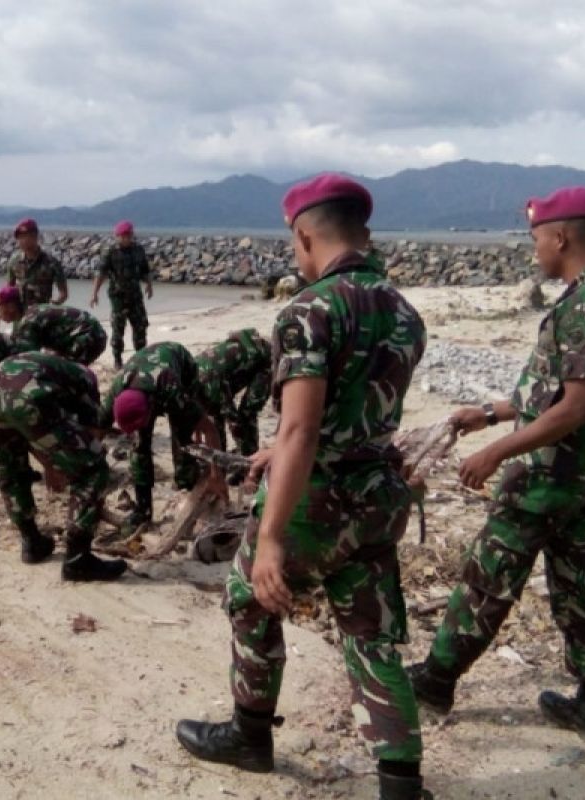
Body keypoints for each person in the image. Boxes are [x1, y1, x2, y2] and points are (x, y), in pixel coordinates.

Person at [174, 174, 430, 800]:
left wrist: (269, 538)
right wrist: (280, 446)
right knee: (371, 635)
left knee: (249, 599)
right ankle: (400, 783)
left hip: (317, 503)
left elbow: (302, 428)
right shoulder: (404, 310)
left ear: (304, 234)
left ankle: (249, 735)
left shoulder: (307, 311)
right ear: (362, 233)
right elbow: (357, 415)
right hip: (377, 498)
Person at [406, 187, 585, 753]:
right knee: (583, 585)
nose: (534, 250)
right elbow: (555, 395)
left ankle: (435, 681)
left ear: (560, 236)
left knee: (488, 579)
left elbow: (576, 406)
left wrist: (497, 453)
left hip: (547, 479)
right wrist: (487, 414)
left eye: (537, 239)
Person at [0, 351, 127, 581]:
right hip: (28, 396)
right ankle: (78, 560)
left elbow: (31, 431)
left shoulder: (48, 367)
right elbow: (91, 433)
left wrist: (51, 463)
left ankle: (31, 542)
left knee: (11, 470)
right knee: (93, 469)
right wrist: (63, 465)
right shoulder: (85, 380)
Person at [0, 289, 107, 477]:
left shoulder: (27, 323)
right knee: (4, 404)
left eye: (0, 310)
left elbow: (28, 359)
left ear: (12, 306)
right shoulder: (27, 319)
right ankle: (5, 461)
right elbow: (26, 368)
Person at [101, 341, 224, 530]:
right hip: (144, 381)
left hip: (180, 364)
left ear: (151, 411)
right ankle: (143, 510)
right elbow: (95, 431)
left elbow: (210, 429)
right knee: (139, 445)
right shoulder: (115, 393)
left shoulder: (170, 388)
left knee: (182, 437)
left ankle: (186, 487)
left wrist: (217, 476)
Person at [195, 328, 272, 457]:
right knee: (215, 416)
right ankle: (226, 462)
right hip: (235, 367)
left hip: (265, 360)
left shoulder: (208, 383)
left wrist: (243, 454)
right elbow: (213, 420)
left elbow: (233, 420)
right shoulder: (191, 382)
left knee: (247, 412)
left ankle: (251, 459)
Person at [90, 220, 153, 368]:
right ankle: (117, 359)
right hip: (118, 296)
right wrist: (94, 294)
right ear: (117, 236)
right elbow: (101, 274)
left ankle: (140, 357)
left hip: (135, 295)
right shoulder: (110, 252)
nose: (126, 239)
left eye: (128, 236)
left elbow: (145, 270)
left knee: (140, 326)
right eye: (123, 236)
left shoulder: (138, 250)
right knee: (118, 328)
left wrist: (149, 286)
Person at [0, 218, 67, 334]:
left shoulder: (51, 263)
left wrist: (55, 304)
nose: (22, 241)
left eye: (25, 237)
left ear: (35, 237)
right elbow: (5, 295)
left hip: (42, 319)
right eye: (19, 238)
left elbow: (63, 293)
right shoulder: (14, 261)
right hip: (20, 320)